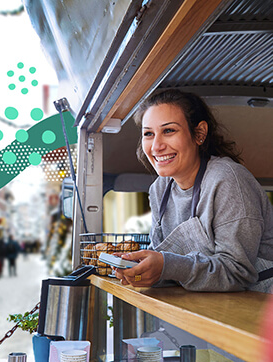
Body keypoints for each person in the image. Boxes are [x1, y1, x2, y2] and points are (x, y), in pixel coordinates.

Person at [114, 89, 273, 293]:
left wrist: (167, 266)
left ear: (199, 134)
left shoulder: (227, 180)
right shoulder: (159, 189)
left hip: (261, 302)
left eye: (169, 131)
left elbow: (238, 272)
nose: (156, 146)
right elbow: (165, 261)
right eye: (148, 134)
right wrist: (140, 268)